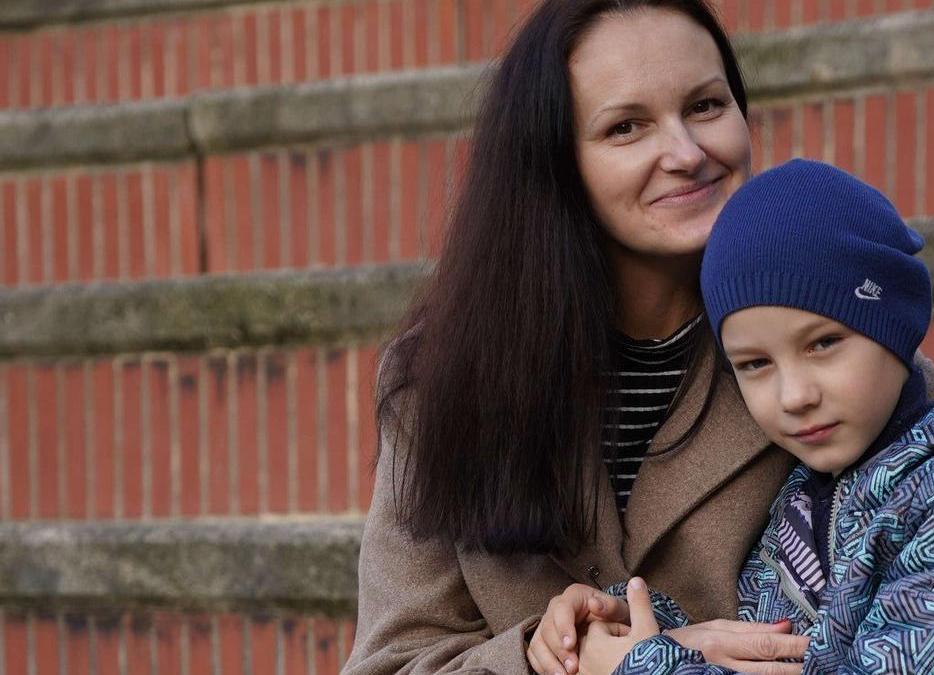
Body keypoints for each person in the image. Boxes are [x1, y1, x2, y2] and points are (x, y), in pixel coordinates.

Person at [343, 2, 822, 673]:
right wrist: (561, 662)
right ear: (556, 162)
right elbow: (390, 663)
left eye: (708, 106)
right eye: (626, 126)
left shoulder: (837, 343)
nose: (687, 153)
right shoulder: (442, 380)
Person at [562, 159, 934, 673]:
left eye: (823, 343)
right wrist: (633, 624)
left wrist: (644, 666)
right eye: (755, 364)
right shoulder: (808, 496)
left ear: (892, 325)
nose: (794, 394)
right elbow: (773, 645)